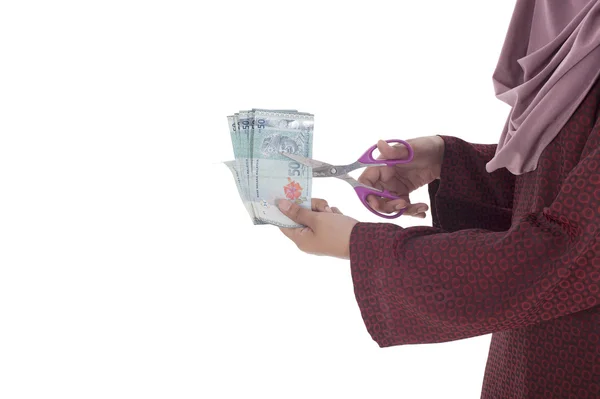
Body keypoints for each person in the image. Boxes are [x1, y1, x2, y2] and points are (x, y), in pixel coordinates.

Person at [277, 1, 600, 398]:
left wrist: (361, 245)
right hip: (531, 365)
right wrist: (447, 162)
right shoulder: (583, 37)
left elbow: (566, 255)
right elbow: (565, 187)